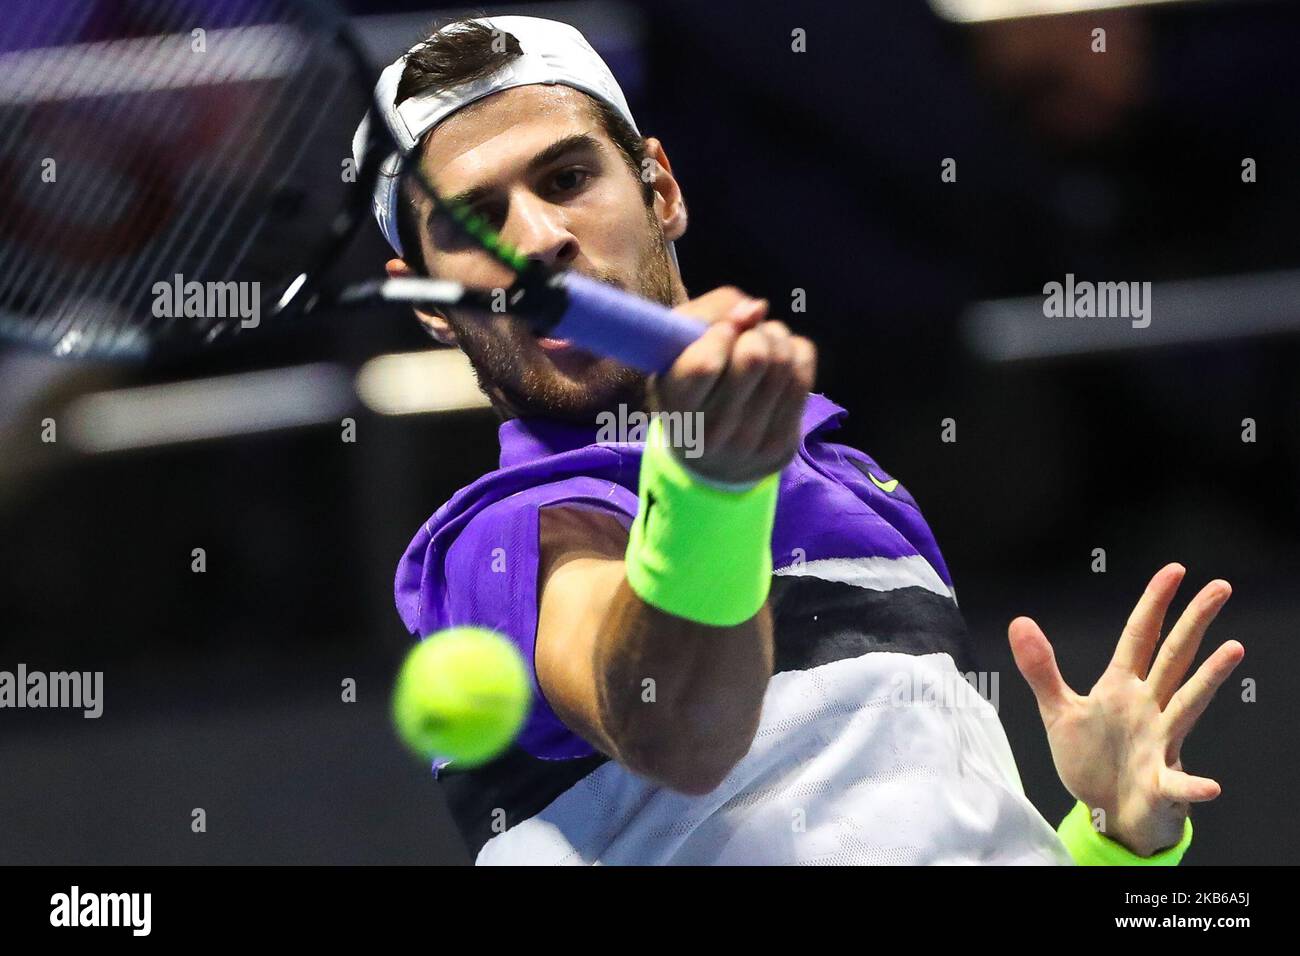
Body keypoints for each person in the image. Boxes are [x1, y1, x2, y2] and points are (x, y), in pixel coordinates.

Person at [354, 15, 1244, 865]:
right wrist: (710, 486)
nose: (539, 241)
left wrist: (1111, 842)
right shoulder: (501, 540)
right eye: (473, 222)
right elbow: (676, 728)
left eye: (565, 179)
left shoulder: (856, 483)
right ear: (430, 300)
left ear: (660, 189)